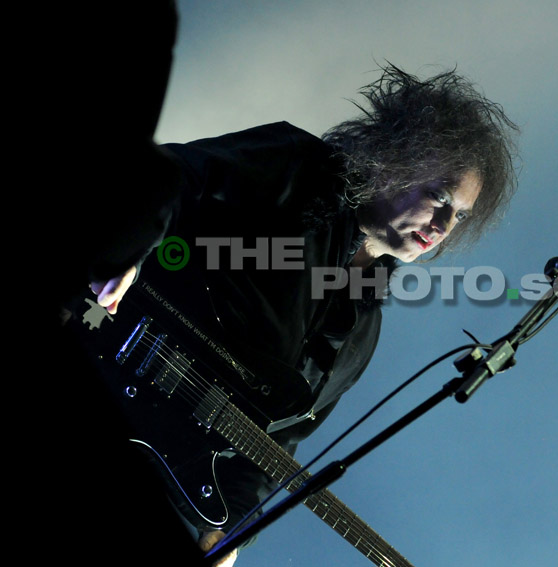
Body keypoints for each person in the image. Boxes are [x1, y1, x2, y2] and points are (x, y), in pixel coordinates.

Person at [83, 63, 519, 564]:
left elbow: (273, 443)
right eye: (438, 196)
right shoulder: (298, 167)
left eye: (459, 215)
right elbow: (175, 175)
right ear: (394, 160)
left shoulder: (362, 335)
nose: (443, 225)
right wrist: (132, 247)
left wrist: (230, 529)